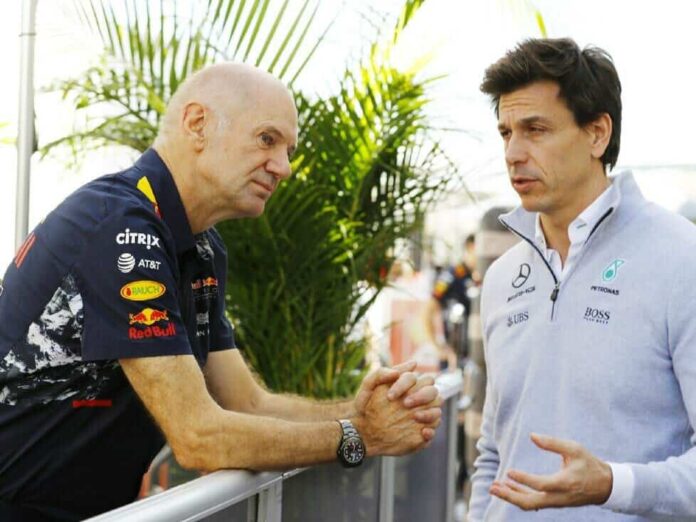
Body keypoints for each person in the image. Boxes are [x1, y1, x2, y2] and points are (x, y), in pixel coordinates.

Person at [0, 63, 443, 521]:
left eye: (288, 150)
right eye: (267, 139)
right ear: (198, 124)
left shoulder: (202, 247)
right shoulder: (121, 226)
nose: (284, 167)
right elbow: (199, 437)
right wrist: (361, 436)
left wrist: (359, 413)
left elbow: (247, 403)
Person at [468, 38, 696, 520]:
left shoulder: (681, 258)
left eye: (535, 130)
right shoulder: (502, 277)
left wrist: (613, 484)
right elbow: (493, 452)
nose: (513, 152)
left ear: (597, 134)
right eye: (506, 132)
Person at [424, 233, 478, 369]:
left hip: (475, 355)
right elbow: (427, 312)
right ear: (471, 247)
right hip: (454, 357)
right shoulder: (452, 275)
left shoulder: (481, 277)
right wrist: (437, 347)